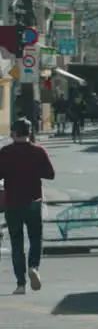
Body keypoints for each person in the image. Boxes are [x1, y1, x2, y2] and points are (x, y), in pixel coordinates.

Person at [0, 118, 55, 294]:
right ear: (30, 132)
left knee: (16, 243)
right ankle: (33, 266)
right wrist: (33, 171)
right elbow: (50, 174)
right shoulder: (38, 151)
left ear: (13, 133)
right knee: (35, 238)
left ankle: (20, 284)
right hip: (33, 201)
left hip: (12, 202)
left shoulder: (4, 152)